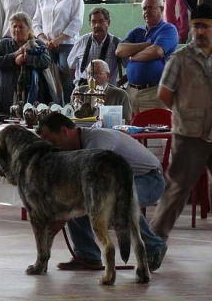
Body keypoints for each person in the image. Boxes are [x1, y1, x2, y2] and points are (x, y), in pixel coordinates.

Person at [36, 112, 168, 272]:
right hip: (122, 181)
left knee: (117, 203)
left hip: (149, 179)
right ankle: (87, 255)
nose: (51, 148)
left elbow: (96, 183)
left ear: (64, 131)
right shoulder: (76, 148)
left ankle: (155, 246)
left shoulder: (97, 142)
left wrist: (57, 222)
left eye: (52, 141)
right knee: (73, 198)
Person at [150, 4, 212, 243]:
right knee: (176, 191)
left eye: (205, 26)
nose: (199, 32)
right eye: (196, 26)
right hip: (189, 136)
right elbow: (164, 93)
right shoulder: (180, 59)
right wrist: (185, 112)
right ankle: (153, 244)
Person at [116, 0, 178, 116]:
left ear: (161, 9)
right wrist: (146, 45)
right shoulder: (136, 31)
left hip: (153, 93)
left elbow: (156, 52)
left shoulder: (168, 29)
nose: (146, 12)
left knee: (155, 131)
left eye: (150, 8)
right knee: (130, 131)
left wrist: (132, 56)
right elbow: (119, 50)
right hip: (131, 92)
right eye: (144, 8)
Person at [0, 12, 51, 115]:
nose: (17, 30)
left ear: (28, 29)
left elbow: (46, 61)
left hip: (34, 100)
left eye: (21, 27)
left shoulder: (37, 44)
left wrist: (26, 59)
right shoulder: (4, 44)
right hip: (7, 99)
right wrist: (15, 56)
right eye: (14, 27)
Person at [33, 0, 84, 104]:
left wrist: (58, 40)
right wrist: (44, 40)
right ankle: (51, 107)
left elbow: (77, 22)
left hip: (67, 44)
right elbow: (35, 23)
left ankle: (68, 107)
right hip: (47, 45)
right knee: (48, 77)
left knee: (66, 78)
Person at [67, 7, 122, 87]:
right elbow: (71, 67)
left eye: (101, 21)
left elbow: (131, 66)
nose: (97, 25)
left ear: (108, 23)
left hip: (107, 91)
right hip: (83, 90)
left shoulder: (116, 43)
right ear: (90, 24)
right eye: (94, 22)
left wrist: (117, 85)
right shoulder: (81, 41)